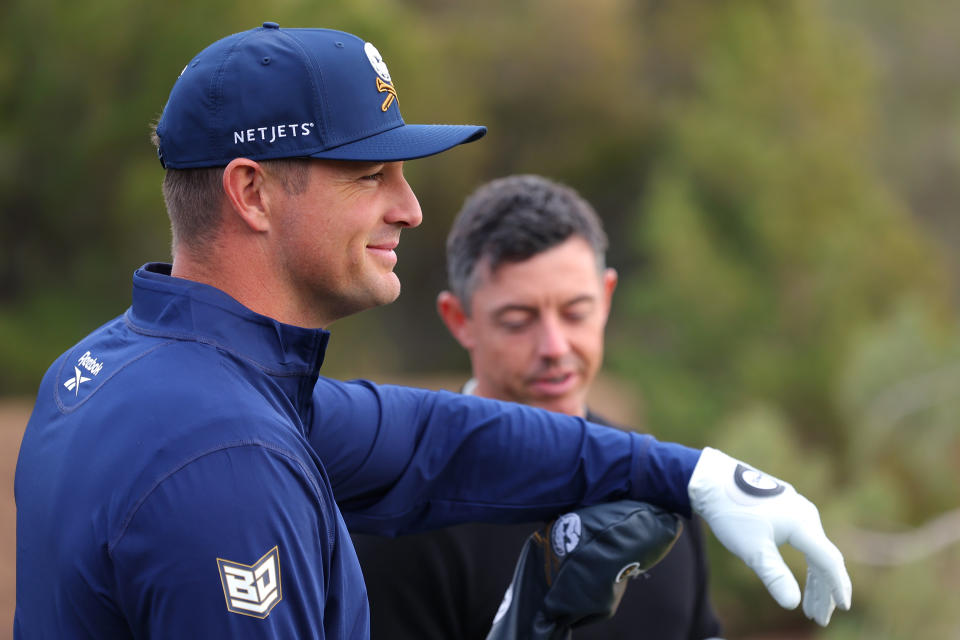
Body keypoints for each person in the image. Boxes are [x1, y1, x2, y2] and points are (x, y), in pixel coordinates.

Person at [14, 23, 851, 640]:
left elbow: (443, 443)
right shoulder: (228, 455)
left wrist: (696, 472)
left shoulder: (130, 368)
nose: (409, 209)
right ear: (252, 193)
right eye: (370, 175)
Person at [352, 174, 724, 639]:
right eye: (518, 320)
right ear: (459, 319)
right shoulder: (395, 521)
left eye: (575, 312)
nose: (553, 345)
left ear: (606, 298)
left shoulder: (661, 493)